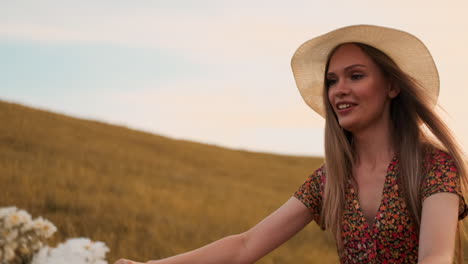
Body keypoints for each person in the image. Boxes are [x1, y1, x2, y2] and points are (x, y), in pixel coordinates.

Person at [114, 25, 468, 264]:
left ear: (391, 87)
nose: (338, 89)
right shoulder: (328, 181)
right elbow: (245, 246)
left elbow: (435, 259)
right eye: (332, 81)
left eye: (355, 76)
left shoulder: (433, 167)